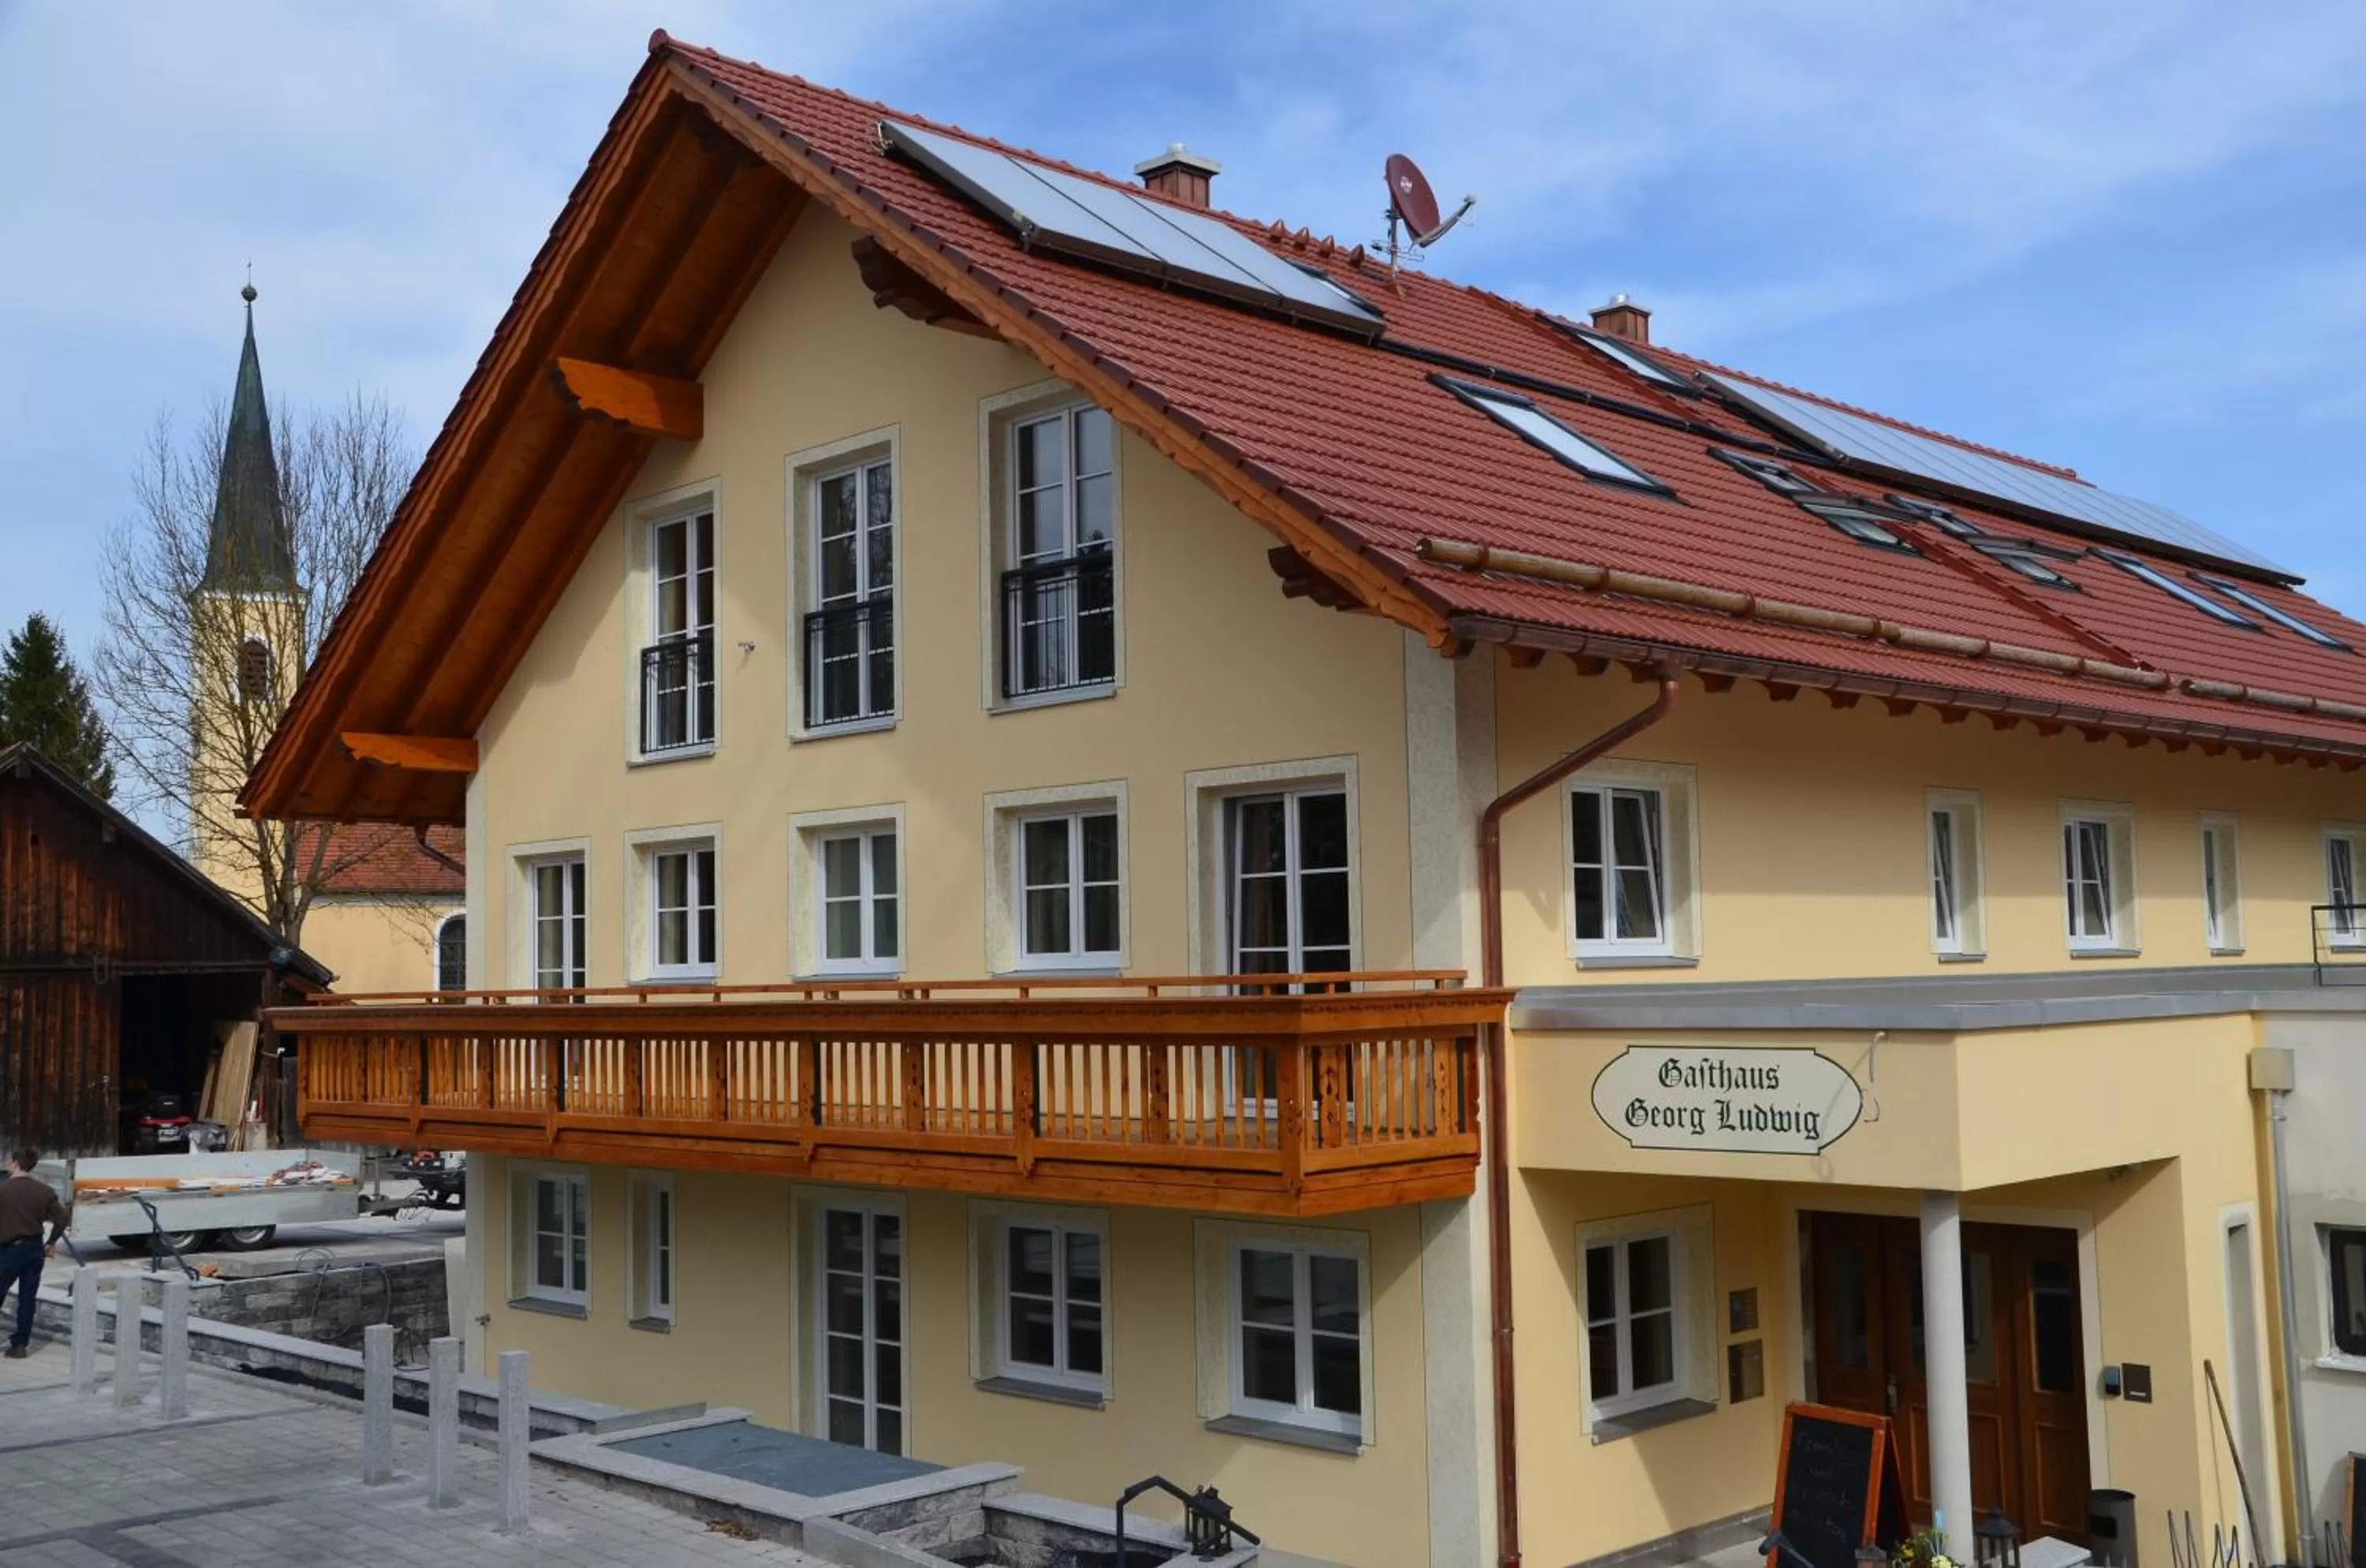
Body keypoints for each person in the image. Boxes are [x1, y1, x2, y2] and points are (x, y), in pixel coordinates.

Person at [0, 1148, 69, 1358]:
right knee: (28, 1298)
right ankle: (20, 1345)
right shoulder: (45, 1191)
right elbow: (62, 1217)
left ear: (15, 1163)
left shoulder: (3, 1190)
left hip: (9, 1250)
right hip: (34, 1249)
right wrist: (52, 1241)